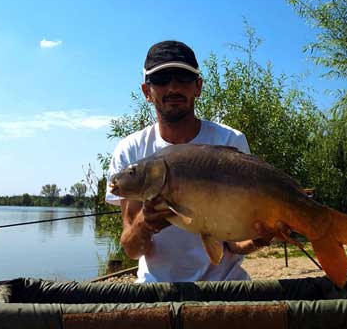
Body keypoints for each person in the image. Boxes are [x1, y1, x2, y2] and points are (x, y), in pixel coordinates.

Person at [105, 40, 273, 283]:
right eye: (161, 79)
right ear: (146, 92)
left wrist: (260, 237)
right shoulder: (131, 150)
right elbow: (132, 249)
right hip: (157, 288)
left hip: (227, 284)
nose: (173, 87)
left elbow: (234, 244)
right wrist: (146, 223)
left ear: (198, 86)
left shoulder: (229, 140)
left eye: (183, 78)